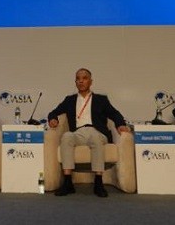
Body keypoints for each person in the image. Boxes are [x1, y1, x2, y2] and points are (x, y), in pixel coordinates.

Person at [47, 68, 129, 197]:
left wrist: (120, 125)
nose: (81, 81)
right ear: (75, 82)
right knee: (66, 136)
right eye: (78, 79)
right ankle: (68, 182)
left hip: (97, 131)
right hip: (78, 133)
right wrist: (53, 119)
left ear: (91, 82)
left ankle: (98, 182)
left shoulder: (101, 99)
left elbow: (115, 113)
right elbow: (54, 112)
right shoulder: (70, 100)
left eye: (84, 78)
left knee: (96, 139)